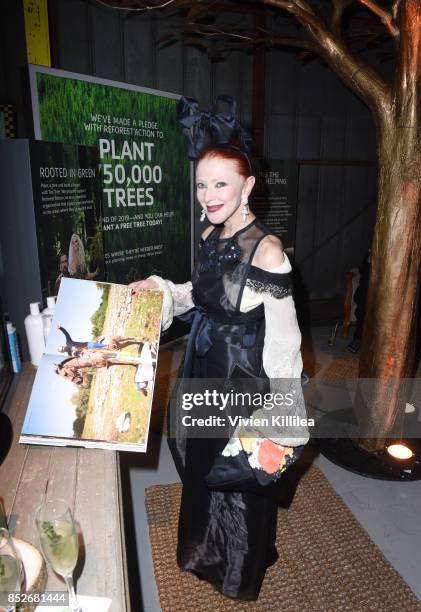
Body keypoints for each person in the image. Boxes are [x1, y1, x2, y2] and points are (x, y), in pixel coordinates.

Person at [131, 144, 309, 601]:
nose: (208, 195)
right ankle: (202, 547)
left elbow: (285, 340)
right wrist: (159, 289)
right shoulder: (211, 233)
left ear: (248, 185)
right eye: (201, 185)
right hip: (202, 360)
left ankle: (237, 567)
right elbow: (199, 294)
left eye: (221, 183)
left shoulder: (267, 251)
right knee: (202, 461)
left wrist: (283, 409)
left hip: (241, 374)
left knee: (237, 472)